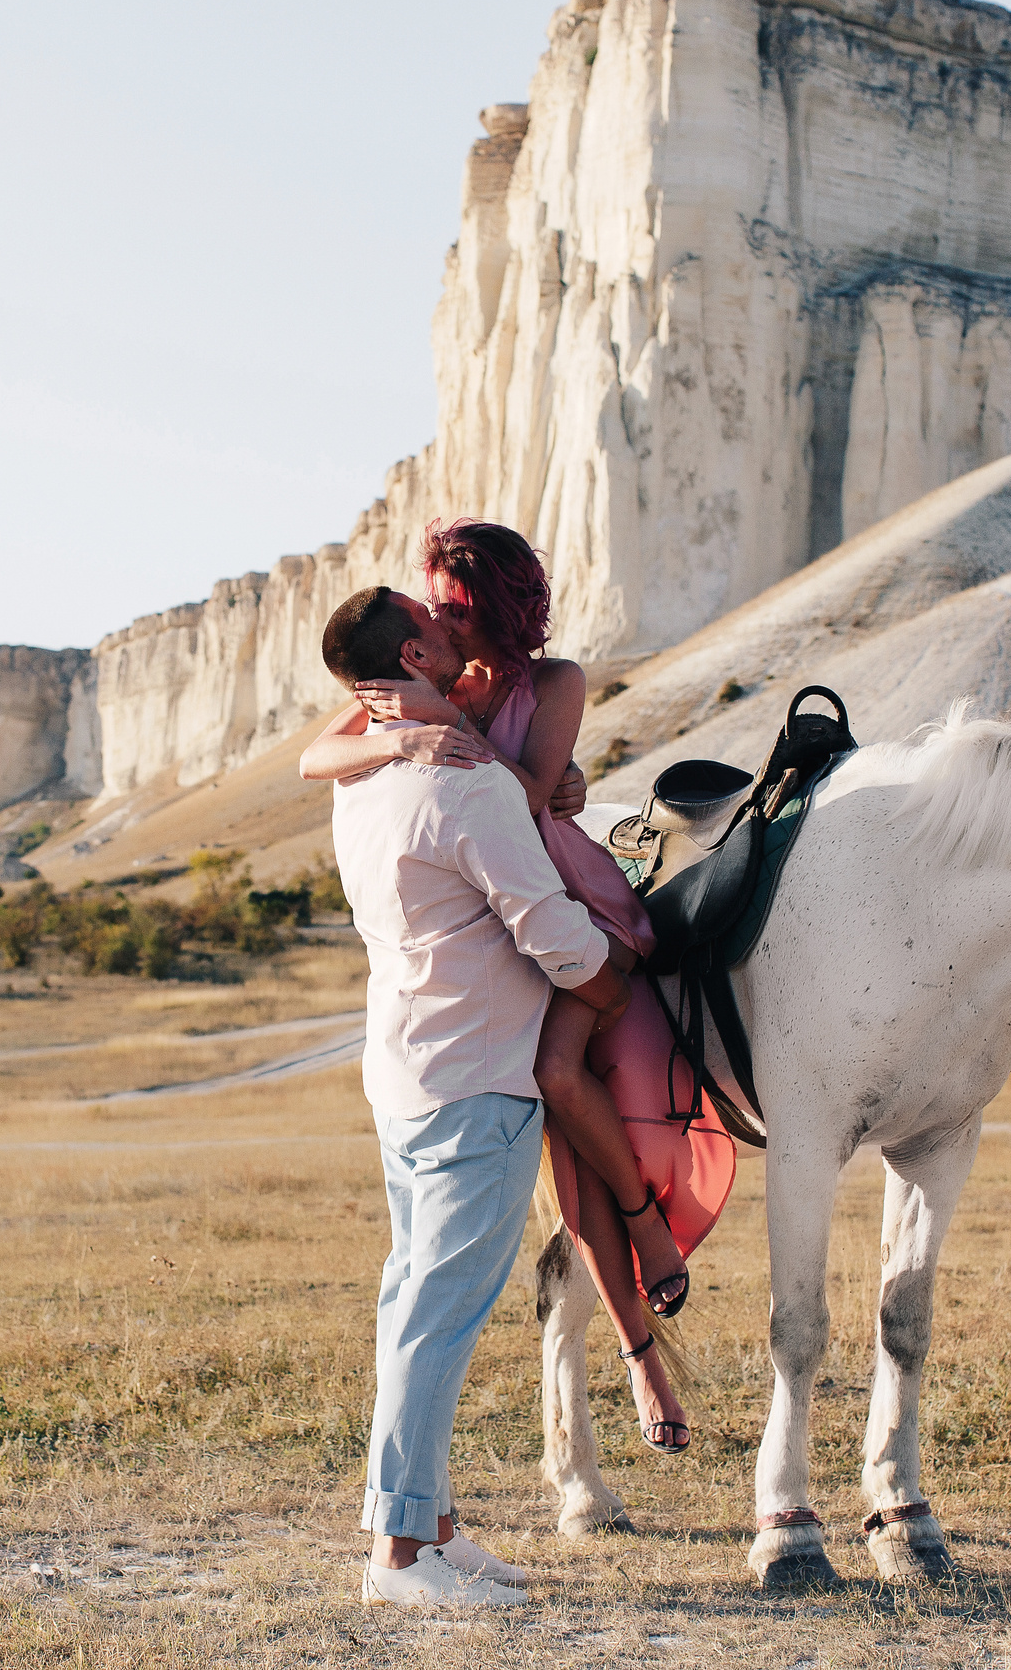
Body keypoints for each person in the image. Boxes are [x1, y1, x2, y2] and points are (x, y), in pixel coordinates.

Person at [301, 521, 693, 1455]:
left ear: (499, 607)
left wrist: (532, 774)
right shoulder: (422, 685)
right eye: (431, 600)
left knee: (564, 1081)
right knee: (556, 1130)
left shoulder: (549, 683)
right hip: (497, 922)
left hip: (561, 897)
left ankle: (649, 1245)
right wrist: (403, 740)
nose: (438, 613)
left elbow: (526, 797)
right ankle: (642, 1345)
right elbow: (316, 757)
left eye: (455, 603)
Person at [317, 582, 630, 1608]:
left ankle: (434, 1531)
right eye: (432, 623)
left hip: (406, 1072)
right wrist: (617, 972)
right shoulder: (468, 783)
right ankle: (399, 1559)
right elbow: (548, 933)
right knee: (434, 1321)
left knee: (412, 1302)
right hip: (478, 1082)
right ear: (410, 658)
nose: (453, 632)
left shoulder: (361, 782)